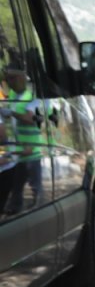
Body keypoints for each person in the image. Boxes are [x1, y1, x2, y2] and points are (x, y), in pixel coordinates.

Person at [1, 66, 43, 215]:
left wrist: (11, 113)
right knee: (17, 186)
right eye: (8, 79)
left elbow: (30, 119)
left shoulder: (32, 96)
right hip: (20, 151)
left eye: (14, 78)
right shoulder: (13, 94)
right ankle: (14, 209)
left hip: (33, 151)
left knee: (35, 187)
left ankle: (38, 211)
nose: (10, 82)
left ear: (23, 77)